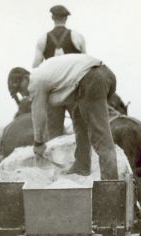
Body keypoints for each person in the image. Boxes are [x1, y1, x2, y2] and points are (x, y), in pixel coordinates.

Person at [7, 54, 119, 180]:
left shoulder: (35, 81)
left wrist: (38, 143)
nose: (22, 94)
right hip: (99, 75)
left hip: (92, 78)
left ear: (26, 78)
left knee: (99, 133)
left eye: (20, 89)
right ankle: (82, 165)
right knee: (78, 119)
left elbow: (39, 114)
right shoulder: (45, 74)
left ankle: (110, 181)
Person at [32, 5, 86, 139]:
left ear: (52, 18)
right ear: (66, 18)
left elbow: (36, 65)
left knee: (54, 134)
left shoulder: (42, 39)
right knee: (82, 130)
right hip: (74, 91)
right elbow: (86, 64)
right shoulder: (77, 36)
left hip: (53, 92)